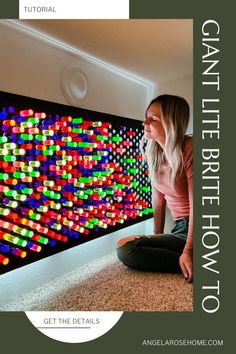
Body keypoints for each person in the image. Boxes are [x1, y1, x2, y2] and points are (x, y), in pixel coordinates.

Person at [116, 94, 193, 283]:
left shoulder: (190, 148)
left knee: (127, 249)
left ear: (171, 123)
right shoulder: (154, 153)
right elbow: (158, 198)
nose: (145, 122)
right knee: (126, 246)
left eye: (153, 118)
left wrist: (188, 250)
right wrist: (156, 237)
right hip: (180, 228)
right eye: (146, 116)